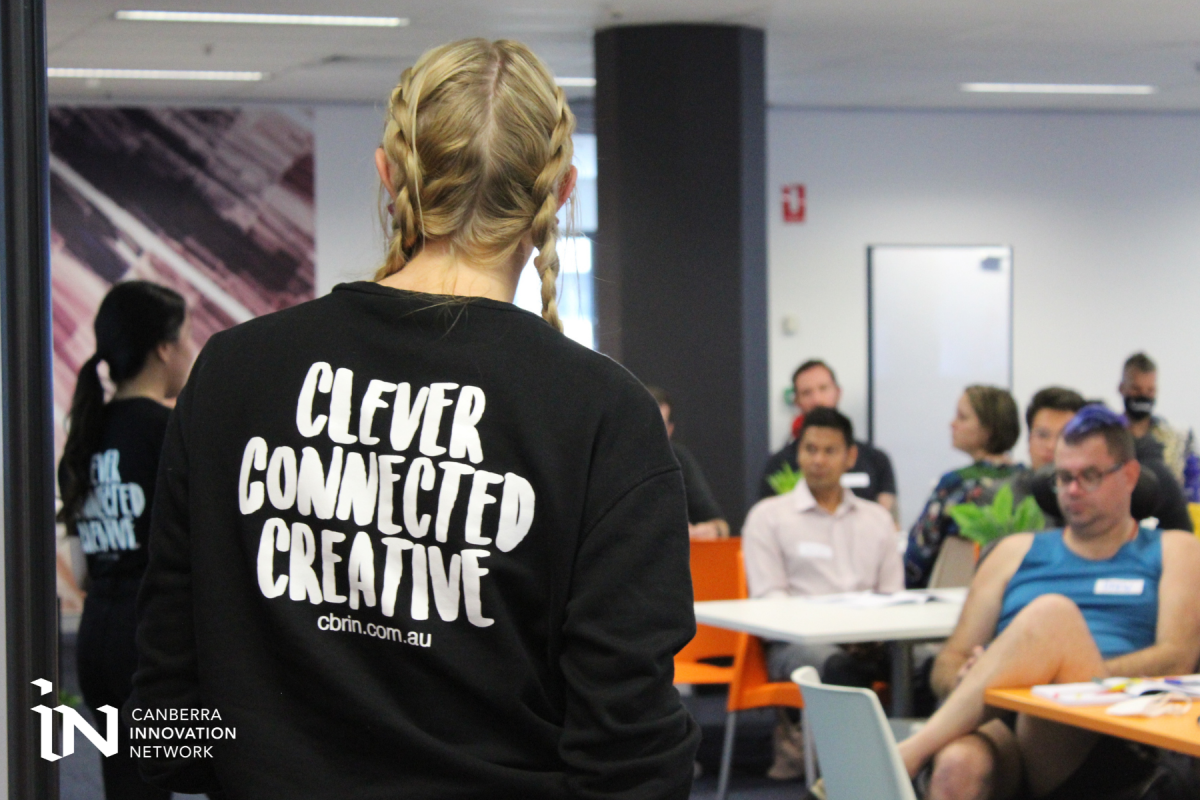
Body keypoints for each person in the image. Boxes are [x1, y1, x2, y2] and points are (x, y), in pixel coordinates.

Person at [130, 39, 699, 798]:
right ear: (561, 193)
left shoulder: (233, 371)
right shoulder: (604, 415)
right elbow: (629, 751)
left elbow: (165, 686)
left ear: (390, 173)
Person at [895, 406, 1200, 800]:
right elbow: (947, 663)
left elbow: (1177, 658)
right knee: (958, 764)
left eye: (1089, 476)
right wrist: (970, 675)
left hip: (1108, 725)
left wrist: (1053, 673)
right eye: (1063, 477)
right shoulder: (1012, 553)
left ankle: (905, 755)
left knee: (1051, 616)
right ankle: (916, 753)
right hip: (1005, 721)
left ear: (1129, 475)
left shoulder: (1174, 549)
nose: (1072, 491)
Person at [57, 280, 193, 800]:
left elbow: (84, 566)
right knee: (204, 767)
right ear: (163, 347)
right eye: (183, 338)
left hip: (96, 640)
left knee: (126, 784)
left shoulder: (89, 429)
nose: (188, 350)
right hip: (149, 644)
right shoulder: (169, 429)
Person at [743, 407, 902, 780]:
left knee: (924, 663)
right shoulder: (769, 517)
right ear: (798, 453)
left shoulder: (876, 519)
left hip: (870, 640)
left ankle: (915, 768)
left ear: (849, 457)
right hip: (794, 645)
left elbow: (894, 597)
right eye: (809, 449)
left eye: (829, 451)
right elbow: (770, 603)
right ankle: (856, 779)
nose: (817, 460)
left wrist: (868, 634)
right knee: (837, 667)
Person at [905, 386, 1024, 588]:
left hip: (957, 595)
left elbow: (919, 552)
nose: (952, 424)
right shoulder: (1029, 481)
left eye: (962, 417)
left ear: (989, 428)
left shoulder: (955, 485)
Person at [759, 360, 897, 515]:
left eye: (823, 388)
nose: (817, 399)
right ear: (797, 401)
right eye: (807, 392)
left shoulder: (877, 460)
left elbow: (889, 523)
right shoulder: (778, 464)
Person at [647, 386, 730, 539]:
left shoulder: (679, 459)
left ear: (670, 430)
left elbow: (721, 526)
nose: (651, 431)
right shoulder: (610, 460)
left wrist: (710, 530)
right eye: (646, 422)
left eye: (660, 424)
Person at [1119, 352, 1192, 485]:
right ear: (1121, 388)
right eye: (1136, 389)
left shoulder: (1174, 439)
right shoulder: (1109, 435)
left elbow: (1188, 482)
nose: (1143, 396)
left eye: (1150, 391)